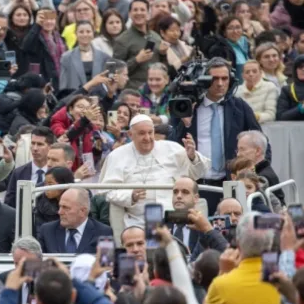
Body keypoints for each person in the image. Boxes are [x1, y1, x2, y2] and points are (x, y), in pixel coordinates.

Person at [172, 57, 266, 212]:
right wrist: (186, 124)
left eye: (225, 78)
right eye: (215, 78)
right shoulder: (186, 105)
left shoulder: (239, 106)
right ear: (204, 80)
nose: (220, 83)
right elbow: (173, 144)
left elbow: (261, 142)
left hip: (231, 183)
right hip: (197, 183)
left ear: (232, 80)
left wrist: (256, 172)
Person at [101, 114, 210, 246]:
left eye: (150, 132)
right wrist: (130, 196)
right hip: (137, 220)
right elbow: (108, 191)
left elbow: (197, 174)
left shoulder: (171, 148)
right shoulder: (117, 156)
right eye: (141, 133)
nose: (147, 138)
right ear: (130, 134)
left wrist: (192, 157)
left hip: (173, 218)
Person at [204, 212, 280, 304]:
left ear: (238, 244)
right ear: (270, 243)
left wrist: (223, 272)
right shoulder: (284, 280)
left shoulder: (222, 284)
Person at [38, 188, 113, 254]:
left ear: (82, 211)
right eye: (60, 206)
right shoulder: (47, 231)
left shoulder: (103, 232)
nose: (59, 212)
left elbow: (106, 265)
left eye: (65, 207)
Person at [113, 0, 166, 89]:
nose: (139, 13)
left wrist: (163, 54)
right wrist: (136, 60)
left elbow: (164, 67)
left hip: (156, 90)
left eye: (142, 10)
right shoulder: (122, 40)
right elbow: (115, 72)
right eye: (135, 10)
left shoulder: (156, 37)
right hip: (133, 92)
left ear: (148, 14)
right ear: (129, 14)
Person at [4, 127, 55, 207]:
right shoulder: (18, 173)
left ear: (50, 147)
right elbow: (9, 204)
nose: (35, 148)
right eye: (33, 143)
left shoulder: (56, 173)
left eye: (40, 144)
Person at [59, 21, 110, 91]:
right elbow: (63, 86)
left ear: (93, 34)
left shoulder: (104, 57)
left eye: (88, 31)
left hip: (98, 99)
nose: (85, 35)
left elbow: (107, 84)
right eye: (81, 32)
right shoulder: (66, 57)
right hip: (75, 98)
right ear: (76, 34)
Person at [236, 130, 284, 204]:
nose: (238, 154)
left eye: (242, 149)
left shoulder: (263, 178)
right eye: (238, 150)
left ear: (258, 151)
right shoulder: (263, 171)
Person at [168, 177, 203, 253]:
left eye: (185, 192)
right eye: (175, 192)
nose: (179, 196)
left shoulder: (204, 227)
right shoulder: (161, 226)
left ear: (196, 198)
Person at [276, 55, 304, 121]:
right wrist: (300, 109)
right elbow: (281, 117)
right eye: (300, 67)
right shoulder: (287, 90)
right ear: (295, 70)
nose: (303, 69)